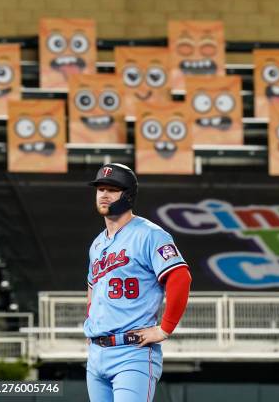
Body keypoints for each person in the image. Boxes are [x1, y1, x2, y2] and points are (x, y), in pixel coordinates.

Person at [84, 163, 192, 401]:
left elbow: (180, 276)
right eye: (100, 188)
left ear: (128, 195)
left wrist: (165, 328)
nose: (103, 194)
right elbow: (93, 287)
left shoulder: (150, 234)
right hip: (97, 354)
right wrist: (92, 320)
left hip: (133, 352)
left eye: (112, 189)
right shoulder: (98, 243)